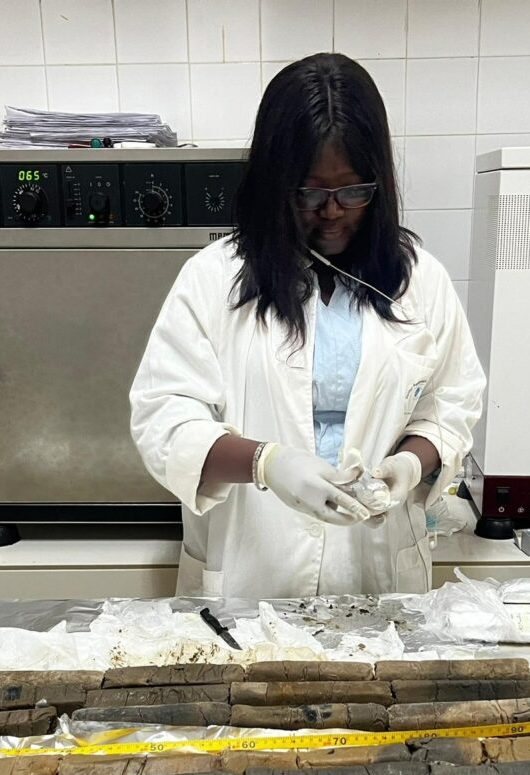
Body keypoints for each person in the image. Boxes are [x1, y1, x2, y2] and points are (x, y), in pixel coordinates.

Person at [130, 52, 486, 599]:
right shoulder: (213, 279)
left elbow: (451, 404)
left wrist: (409, 466)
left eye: (352, 191)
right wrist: (267, 464)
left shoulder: (419, 281)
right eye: (310, 193)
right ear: (274, 183)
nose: (333, 211)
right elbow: (164, 419)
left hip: (379, 571)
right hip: (251, 573)